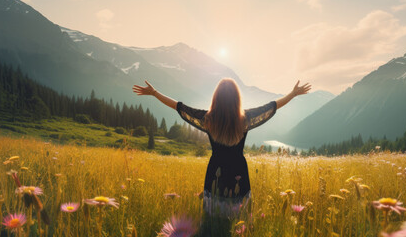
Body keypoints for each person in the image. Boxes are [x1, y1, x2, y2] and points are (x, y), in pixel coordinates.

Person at [133, 78, 311, 236]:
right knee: (240, 218)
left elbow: (179, 107)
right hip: (238, 171)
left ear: (216, 98)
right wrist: (293, 94)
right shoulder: (246, 119)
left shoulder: (208, 119)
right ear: (237, 99)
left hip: (215, 171)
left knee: (213, 218)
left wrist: (155, 93)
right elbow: (273, 106)